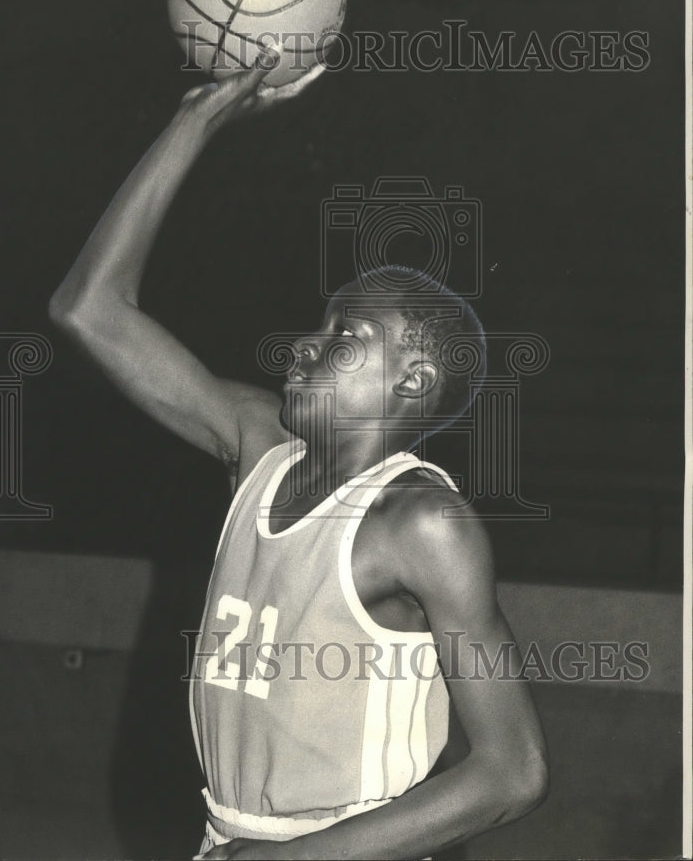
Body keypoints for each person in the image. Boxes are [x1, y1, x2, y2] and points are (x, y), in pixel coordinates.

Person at [50, 51, 548, 861]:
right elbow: (88, 308)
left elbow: (513, 772)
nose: (302, 349)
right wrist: (197, 120)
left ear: (414, 379)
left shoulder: (420, 521)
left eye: (344, 338)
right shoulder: (259, 448)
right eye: (317, 328)